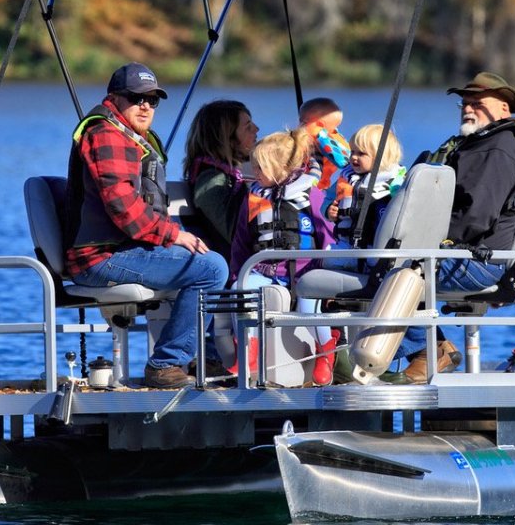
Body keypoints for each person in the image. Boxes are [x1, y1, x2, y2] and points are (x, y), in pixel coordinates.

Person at [64, 62, 228, 389]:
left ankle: (202, 358)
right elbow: (122, 206)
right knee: (211, 270)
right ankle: (166, 365)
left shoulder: (134, 137)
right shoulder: (106, 134)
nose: (145, 106)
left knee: (216, 261)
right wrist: (175, 235)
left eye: (152, 100)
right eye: (136, 98)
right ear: (114, 98)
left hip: (125, 250)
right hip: (100, 257)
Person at [394, 71, 515, 383]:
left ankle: (430, 350)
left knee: (390, 269)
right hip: (467, 255)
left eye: (478, 103)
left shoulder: (499, 148)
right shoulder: (475, 144)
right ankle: (427, 349)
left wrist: (426, 240)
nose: (468, 108)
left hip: (478, 261)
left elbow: (476, 217)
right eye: (464, 103)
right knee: (363, 263)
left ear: (504, 109)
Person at [231, 129, 337, 384]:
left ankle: (326, 351)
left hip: (305, 274)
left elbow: (327, 233)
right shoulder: (254, 197)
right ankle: (249, 350)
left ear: (281, 168)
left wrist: (330, 275)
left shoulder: (310, 194)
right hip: (266, 273)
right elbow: (241, 240)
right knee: (240, 291)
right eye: (253, 166)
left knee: (308, 308)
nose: (254, 172)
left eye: (260, 167)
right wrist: (237, 274)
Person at [183, 100, 259, 262]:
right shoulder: (210, 182)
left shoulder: (234, 175)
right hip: (238, 266)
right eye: (248, 127)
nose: (256, 129)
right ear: (227, 140)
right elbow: (236, 234)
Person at [326, 124, 407, 252]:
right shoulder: (347, 177)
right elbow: (328, 198)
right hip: (345, 244)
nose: (353, 157)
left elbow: (404, 207)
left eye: (361, 153)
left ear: (382, 156)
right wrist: (329, 211)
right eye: (352, 151)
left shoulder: (395, 179)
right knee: (325, 259)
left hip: (376, 247)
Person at [298, 97, 351, 192]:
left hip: (306, 187)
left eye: (304, 123)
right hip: (319, 187)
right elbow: (345, 159)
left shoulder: (298, 138)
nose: (336, 131)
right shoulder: (330, 138)